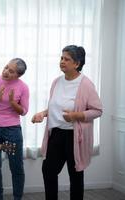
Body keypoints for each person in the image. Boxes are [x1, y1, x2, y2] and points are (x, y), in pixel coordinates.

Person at [31, 45, 103, 200]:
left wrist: (76, 115)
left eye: (66, 59)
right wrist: (43, 114)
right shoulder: (56, 82)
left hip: (75, 137)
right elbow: (55, 107)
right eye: (61, 58)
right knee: (48, 170)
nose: (62, 61)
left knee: (75, 175)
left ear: (76, 64)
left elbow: (97, 110)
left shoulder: (86, 84)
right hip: (56, 134)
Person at [0, 58, 29, 200]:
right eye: (6, 67)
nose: (6, 72)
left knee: (16, 167)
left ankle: (17, 198)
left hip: (12, 130)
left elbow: (24, 111)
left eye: (11, 71)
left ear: (18, 75)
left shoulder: (23, 87)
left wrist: (13, 102)